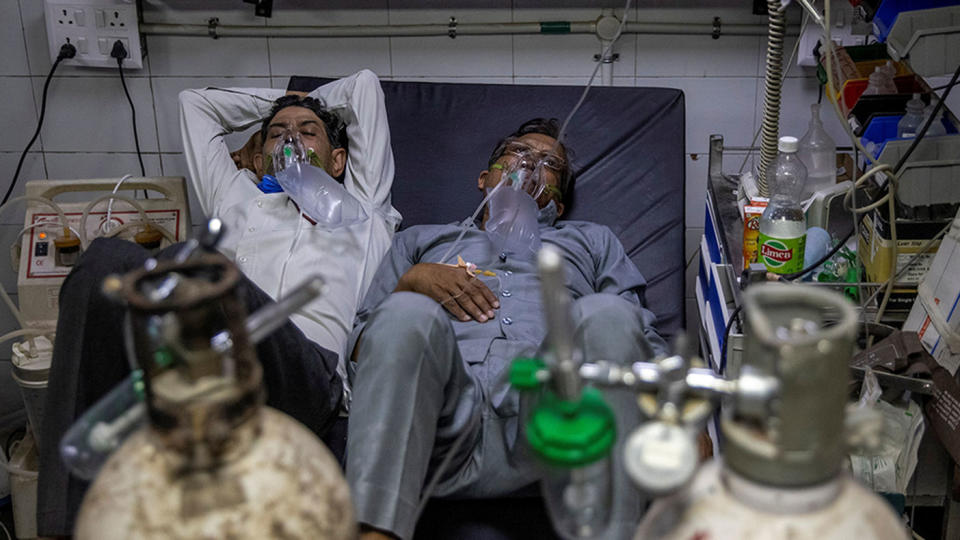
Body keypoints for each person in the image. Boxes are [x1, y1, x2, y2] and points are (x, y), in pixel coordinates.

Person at [37, 70, 398, 536]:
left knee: (202, 268)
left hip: (308, 380)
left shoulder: (366, 208)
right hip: (209, 365)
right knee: (103, 261)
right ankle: (61, 526)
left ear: (338, 161)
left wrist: (298, 103)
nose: (291, 139)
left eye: (308, 134)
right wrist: (289, 112)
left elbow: (363, 87)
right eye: (276, 135)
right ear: (258, 154)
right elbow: (194, 103)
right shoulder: (236, 196)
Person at [346, 118, 667, 540]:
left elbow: (637, 335)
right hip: (439, 415)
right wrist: (412, 283)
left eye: (549, 162)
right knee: (404, 310)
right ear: (484, 179)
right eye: (516, 152)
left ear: (560, 202)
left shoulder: (592, 241)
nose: (530, 163)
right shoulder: (420, 242)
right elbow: (361, 350)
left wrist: (677, 418)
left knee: (608, 312)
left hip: (552, 415)